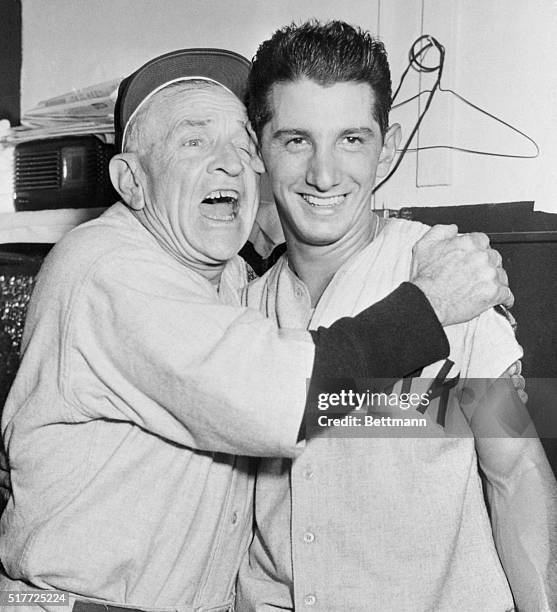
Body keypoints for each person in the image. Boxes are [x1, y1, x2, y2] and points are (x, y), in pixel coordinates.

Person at [0, 49, 514, 612]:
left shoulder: (238, 285)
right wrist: (435, 301)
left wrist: (475, 280)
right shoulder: (108, 266)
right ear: (131, 180)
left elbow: (516, 466)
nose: (227, 164)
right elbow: (282, 399)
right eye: (192, 141)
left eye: (243, 146)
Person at [237, 21, 557, 612]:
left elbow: (515, 474)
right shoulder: (239, 309)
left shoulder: (449, 278)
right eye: (295, 140)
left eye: (352, 139)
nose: (325, 175)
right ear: (258, 147)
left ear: (388, 144)